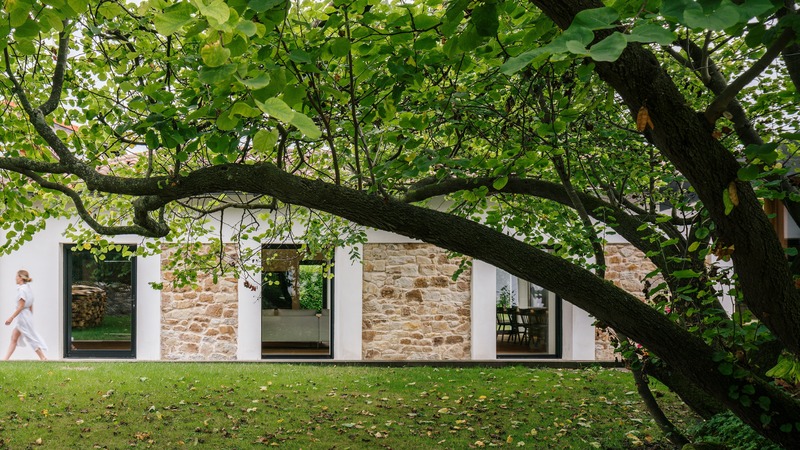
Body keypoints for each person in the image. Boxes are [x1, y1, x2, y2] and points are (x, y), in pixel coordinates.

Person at [4, 270, 47, 360]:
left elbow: (21, 306)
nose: (15, 278)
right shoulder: (28, 288)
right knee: (14, 337)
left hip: (23, 317)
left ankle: (42, 357)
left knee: (29, 337)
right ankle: (5, 359)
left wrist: (11, 318)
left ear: (20, 277)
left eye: (16, 276)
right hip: (26, 316)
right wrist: (30, 316)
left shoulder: (22, 290)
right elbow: (31, 305)